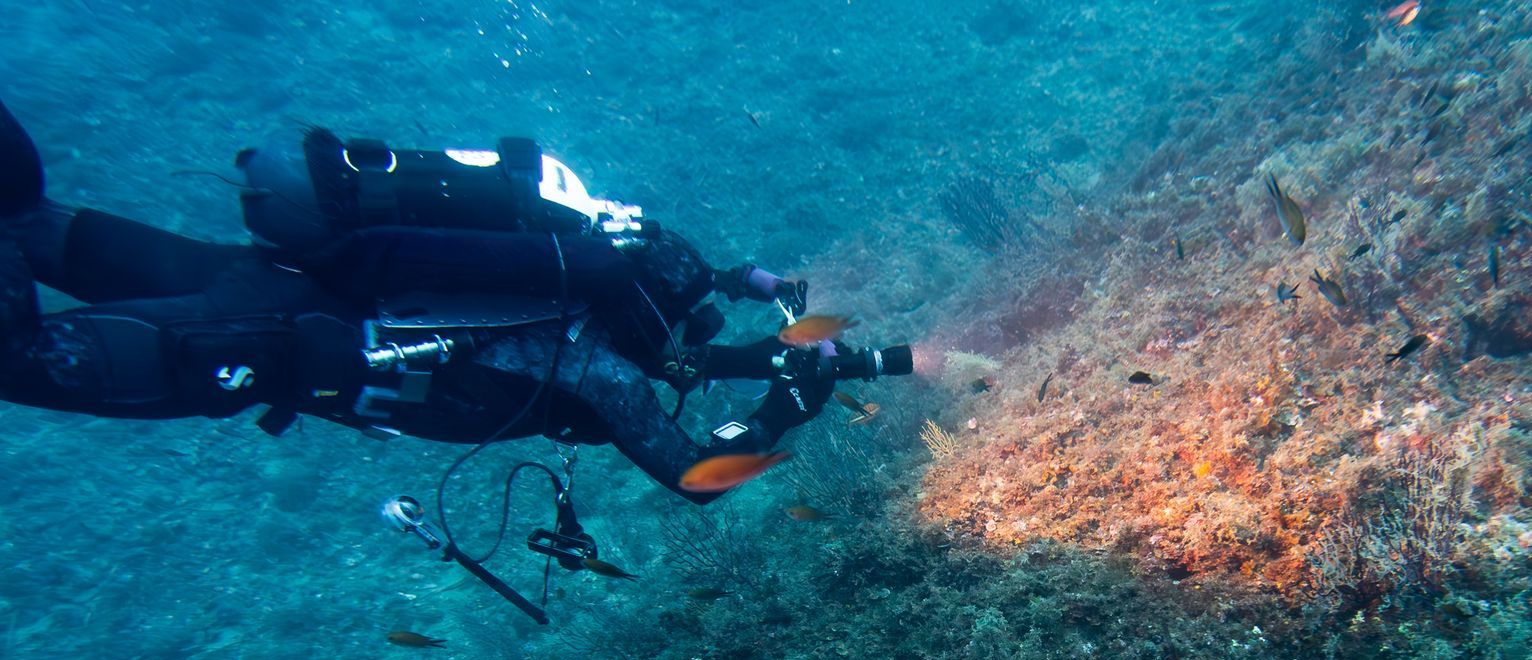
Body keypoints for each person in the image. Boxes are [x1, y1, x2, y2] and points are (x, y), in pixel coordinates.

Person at [0, 100, 910, 504]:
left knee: (33, 221)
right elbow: (692, 477)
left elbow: (683, 344)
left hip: (268, 285)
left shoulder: (573, 288)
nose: (679, 352)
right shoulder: (596, 361)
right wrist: (784, 410)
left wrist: (766, 341)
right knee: (21, 355)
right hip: (265, 341)